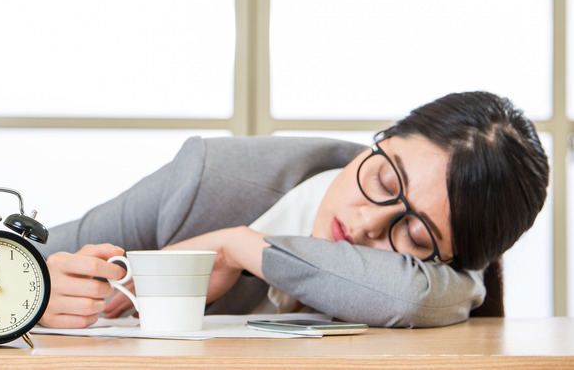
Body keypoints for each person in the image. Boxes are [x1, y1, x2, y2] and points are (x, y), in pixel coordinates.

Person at [37, 91, 549, 329]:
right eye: (383, 179)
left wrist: (240, 246)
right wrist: (38, 289)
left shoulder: (448, 280)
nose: (367, 221)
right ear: (383, 139)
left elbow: (413, 298)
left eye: (414, 238)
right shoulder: (208, 178)